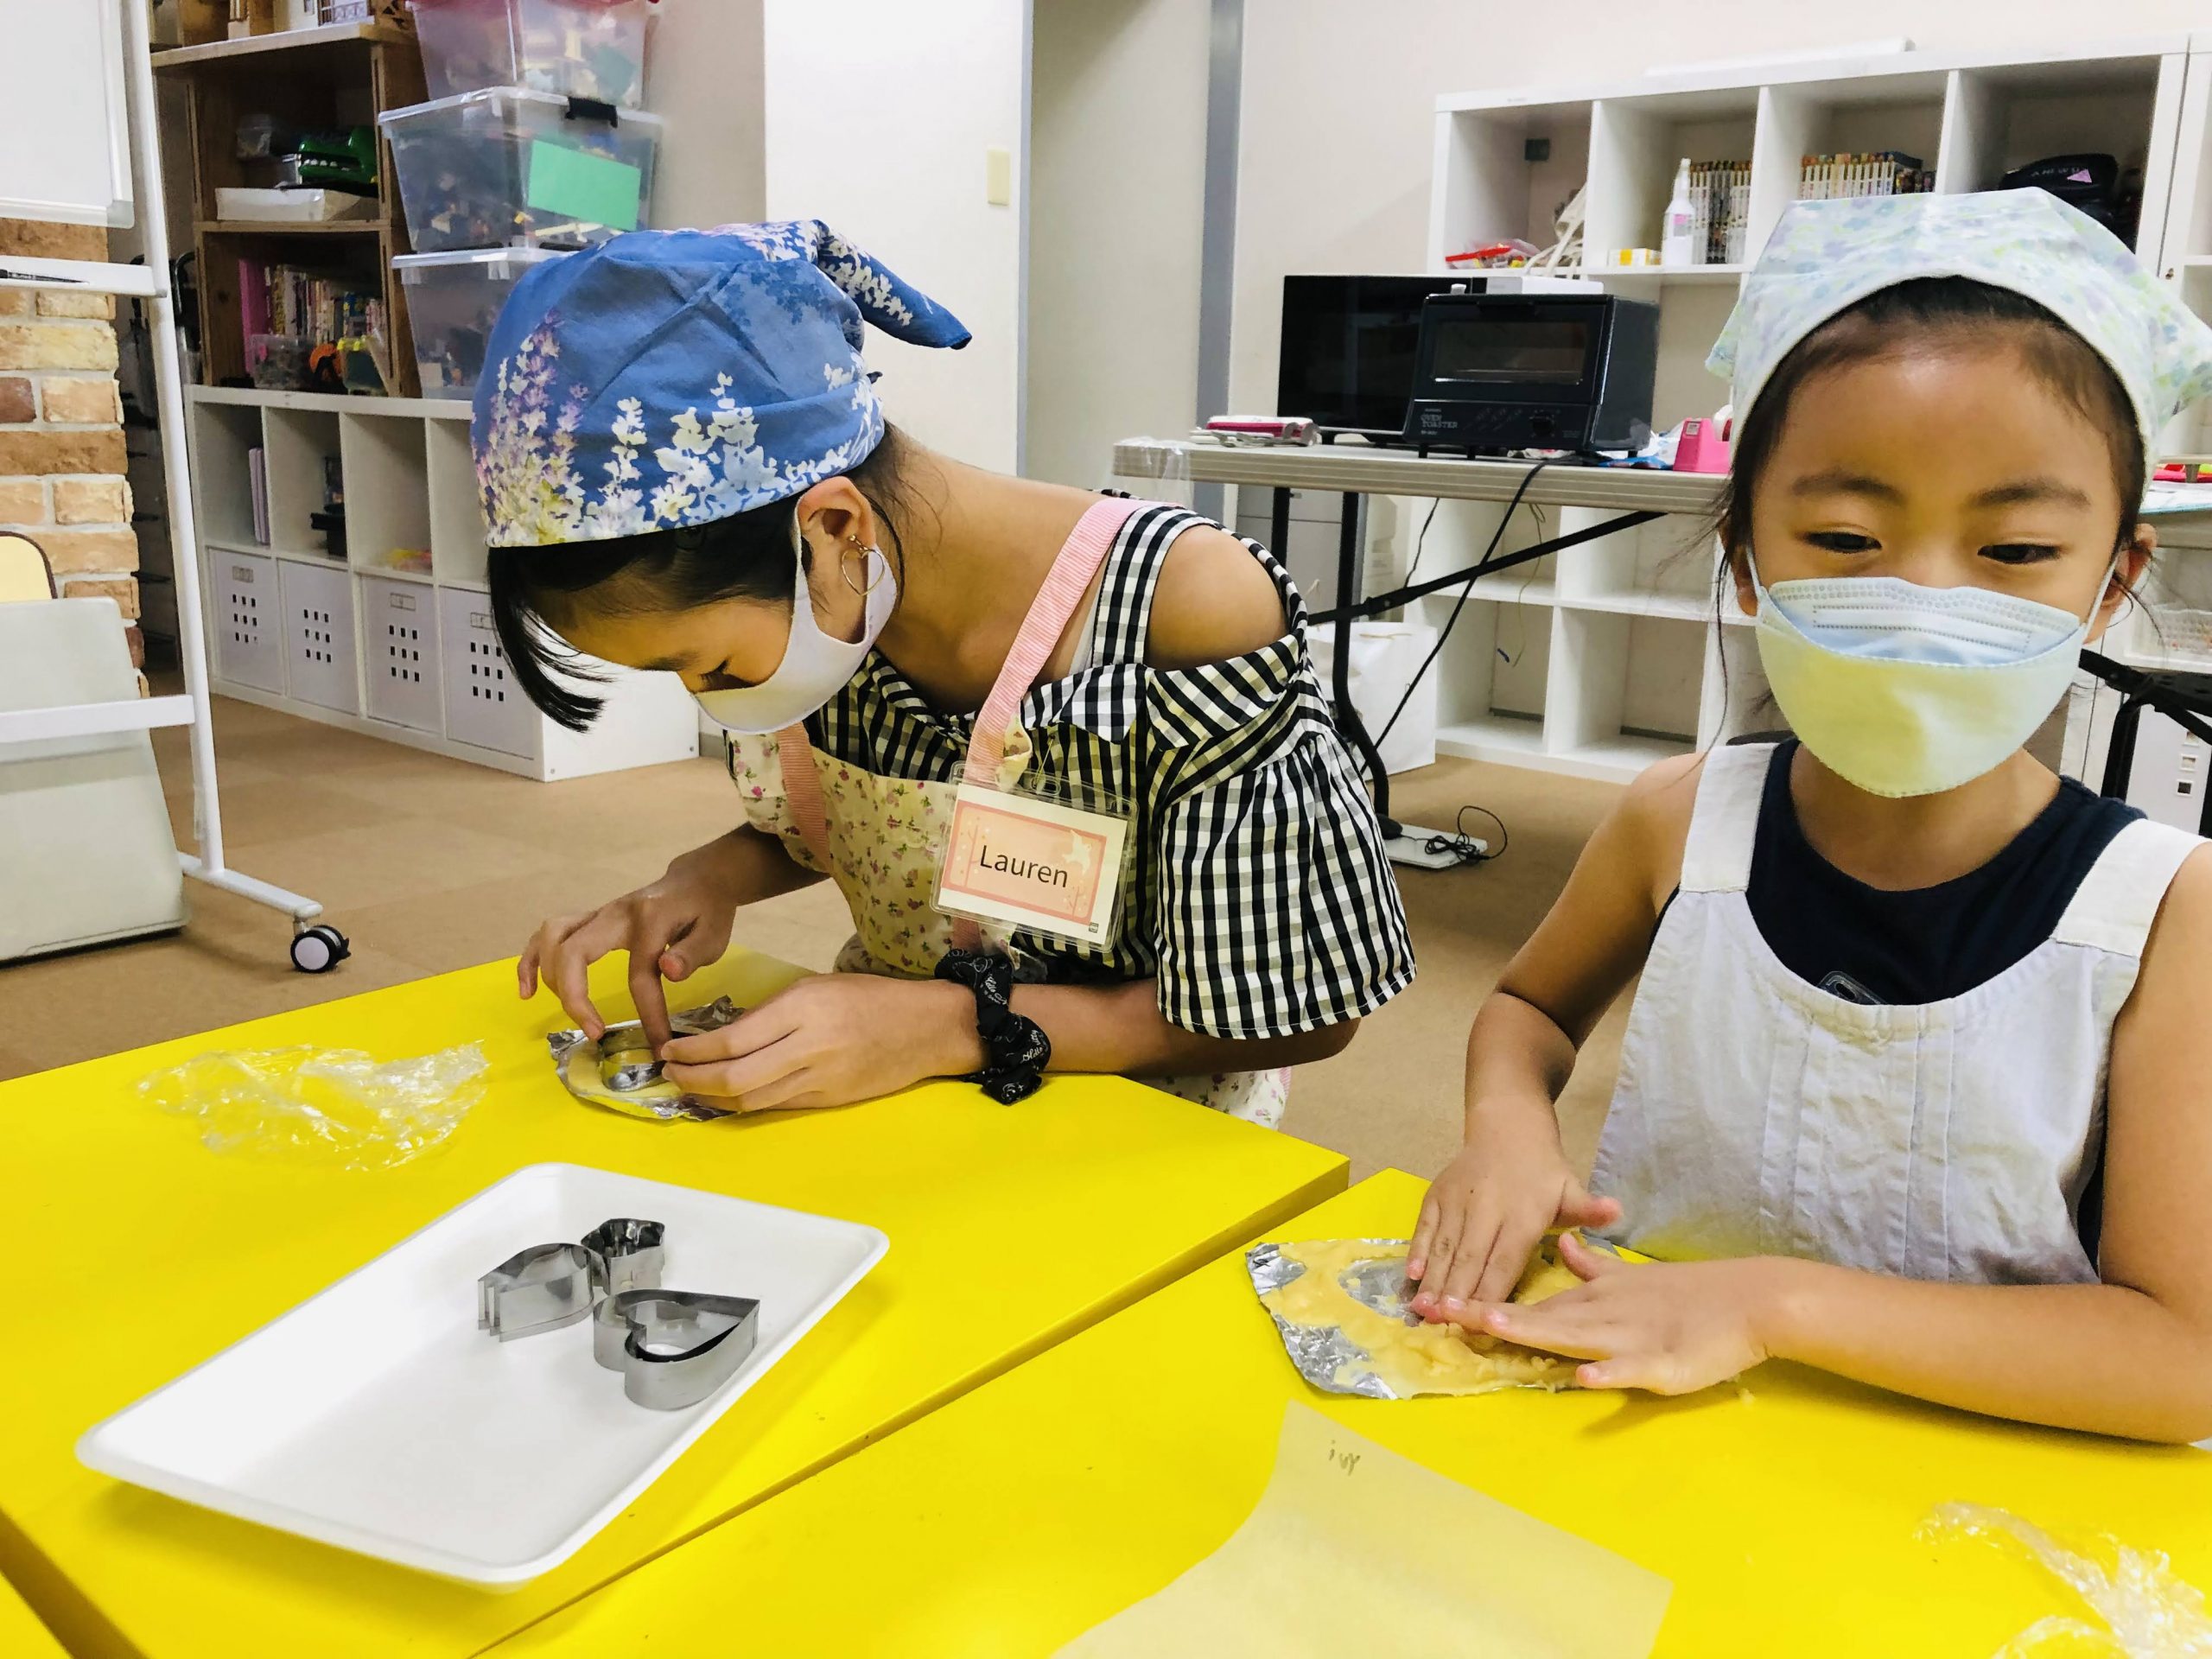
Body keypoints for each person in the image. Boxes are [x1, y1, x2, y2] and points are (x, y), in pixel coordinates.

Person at [1405, 190, 2212, 1441]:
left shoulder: (2165, 911)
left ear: (2114, 579)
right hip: (1636, 1435)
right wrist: (1506, 1131)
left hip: (1960, 1492)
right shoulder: (1677, 821)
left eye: (2013, 553)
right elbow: (1528, 1012)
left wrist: (1772, 1306)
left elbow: (2181, 1356)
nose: (1921, 601)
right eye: (1843, 536)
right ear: (1744, 555)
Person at [479, 221, 1413, 1126]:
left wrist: (950, 1026)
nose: (714, 700)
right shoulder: (846, 606)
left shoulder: (1186, 607)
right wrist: (704, 878)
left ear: (833, 530)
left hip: (1144, 1118)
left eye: (713, 665)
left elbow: (1302, 1008)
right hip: (899, 1087)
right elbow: (882, 832)